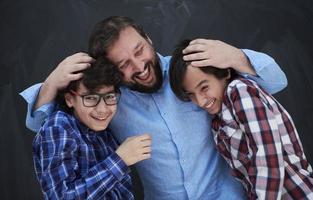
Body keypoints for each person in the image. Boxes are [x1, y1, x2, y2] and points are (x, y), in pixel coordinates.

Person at [20, 16, 288, 199]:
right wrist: (52, 82)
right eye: (123, 64)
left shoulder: (190, 71)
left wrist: (235, 56)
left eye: (139, 50)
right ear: (111, 69)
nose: (138, 66)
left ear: (149, 39)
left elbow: (276, 80)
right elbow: (38, 122)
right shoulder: (111, 99)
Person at [169, 39, 313, 199]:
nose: (201, 101)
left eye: (204, 87)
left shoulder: (240, 91)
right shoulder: (218, 120)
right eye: (191, 95)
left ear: (225, 73)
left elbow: (267, 158)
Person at [32, 58, 152, 199]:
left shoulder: (102, 131)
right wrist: (120, 160)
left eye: (109, 96)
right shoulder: (59, 126)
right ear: (69, 99)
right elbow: (62, 197)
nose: (103, 109)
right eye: (90, 98)